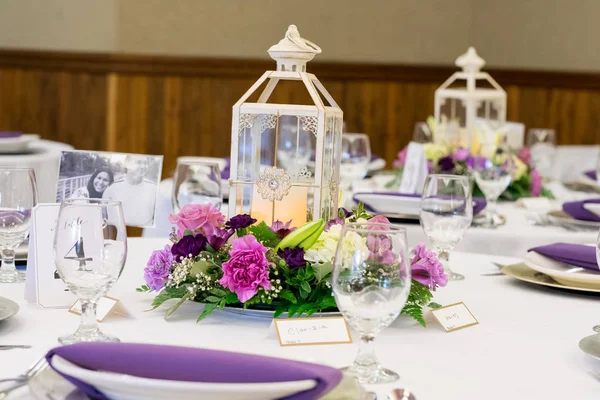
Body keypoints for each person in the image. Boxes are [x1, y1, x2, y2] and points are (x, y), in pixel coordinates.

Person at [102, 155, 157, 227]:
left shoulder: (154, 188)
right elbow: (102, 215)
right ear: (127, 165)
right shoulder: (112, 188)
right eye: (138, 162)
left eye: (145, 163)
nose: (143, 166)